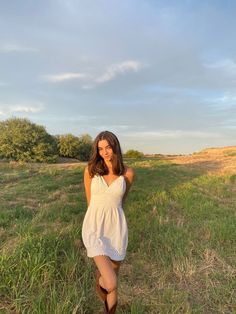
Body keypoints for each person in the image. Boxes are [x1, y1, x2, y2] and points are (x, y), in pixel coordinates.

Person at [82, 130, 135, 313]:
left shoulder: (127, 173)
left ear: (115, 147)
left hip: (116, 229)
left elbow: (121, 201)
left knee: (114, 280)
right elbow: (90, 202)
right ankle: (101, 281)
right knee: (110, 282)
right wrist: (91, 224)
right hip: (94, 228)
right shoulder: (90, 171)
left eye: (108, 147)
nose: (105, 152)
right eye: (100, 148)